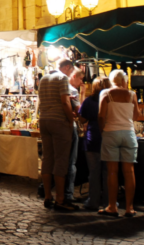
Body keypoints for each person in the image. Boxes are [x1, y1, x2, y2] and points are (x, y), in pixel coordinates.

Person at [97, 69, 141, 218]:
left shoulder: (105, 94)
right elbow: (136, 115)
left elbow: (101, 116)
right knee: (129, 171)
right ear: (124, 80)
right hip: (129, 133)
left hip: (111, 132)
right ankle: (129, 208)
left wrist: (102, 130)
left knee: (112, 171)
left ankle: (112, 206)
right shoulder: (132, 94)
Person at [38, 58, 80, 211]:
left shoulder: (43, 79)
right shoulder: (62, 78)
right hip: (58, 121)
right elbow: (64, 102)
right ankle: (61, 199)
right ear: (67, 67)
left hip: (44, 120)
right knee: (61, 160)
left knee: (47, 158)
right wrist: (70, 120)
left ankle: (48, 196)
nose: (71, 75)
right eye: (71, 71)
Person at [79, 77, 111, 210]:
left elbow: (82, 119)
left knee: (94, 172)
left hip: (93, 138)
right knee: (108, 172)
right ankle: (109, 201)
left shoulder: (89, 101)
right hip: (109, 137)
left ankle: (93, 201)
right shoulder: (111, 100)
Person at [65, 69, 85, 203]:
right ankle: (68, 194)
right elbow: (80, 111)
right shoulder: (72, 90)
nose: (81, 83)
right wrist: (82, 94)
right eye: (80, 79)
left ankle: (45, 188)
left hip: (59, 127)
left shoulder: (61, 87)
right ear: (73, 76)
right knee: (71, 161)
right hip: (69, 127)